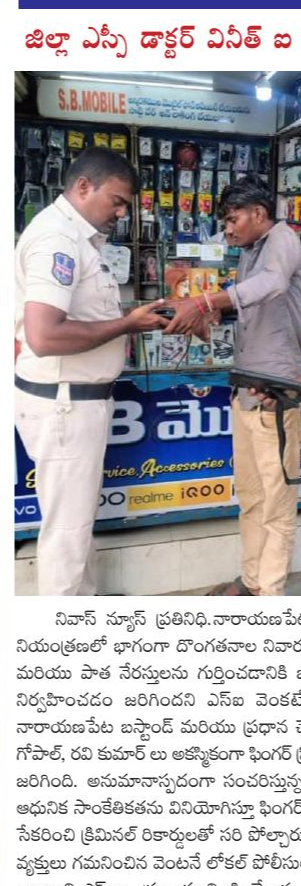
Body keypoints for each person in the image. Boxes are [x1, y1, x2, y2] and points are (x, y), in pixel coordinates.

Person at [15, 147, 169, 596]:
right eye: (117, 201)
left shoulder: (76, 239)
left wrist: (128, 318)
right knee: (67, 533)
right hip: (65, 404)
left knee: (75, 525)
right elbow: (45, 335)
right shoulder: (58, 241)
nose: (121, 214)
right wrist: (127, 324)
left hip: (71, 400)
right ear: (83, 186)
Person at [165, 174, 301, 597]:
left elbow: (273, 284)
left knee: (276, 504)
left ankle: (270, 594)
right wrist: (214, 314)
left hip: (275, 396)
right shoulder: (250, 252)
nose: (227, 230)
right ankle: (251, 581)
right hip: (246, 391)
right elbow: (253, 303)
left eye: (232, 219)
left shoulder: (282, 238)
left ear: (258, 214)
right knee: (250, 496)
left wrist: (207, 302)